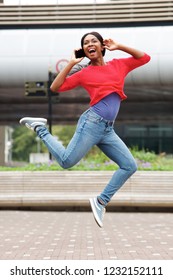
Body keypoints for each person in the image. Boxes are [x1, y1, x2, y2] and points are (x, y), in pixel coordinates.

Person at [20, 31, 151, 228]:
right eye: (85, 43)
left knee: (129, 165)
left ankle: (100, 202)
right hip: (92, 123)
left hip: (107, 129)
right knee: (66, 161)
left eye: (93, 41)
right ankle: (40, 128)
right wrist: (72, 64)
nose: (89, 44)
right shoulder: (84, 73)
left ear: (101, 46)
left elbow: (145, 58)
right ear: (84, 50)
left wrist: (119, 46)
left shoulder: (119, 65)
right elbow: (56, 87)